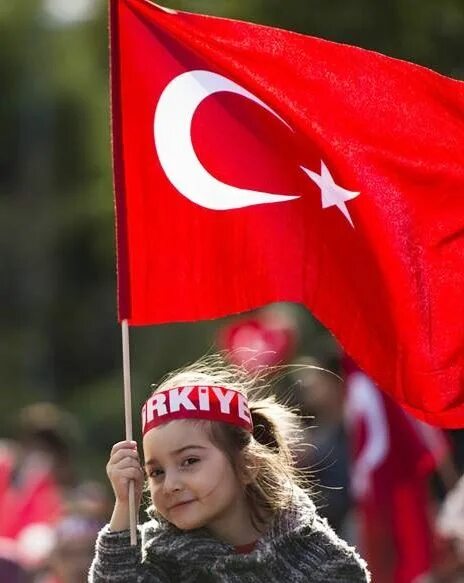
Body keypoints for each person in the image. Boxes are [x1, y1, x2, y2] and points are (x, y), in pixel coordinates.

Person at [89, 355, 370, 582]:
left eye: (189, 462)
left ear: (247, 465)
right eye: (157, 472)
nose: (171, 483)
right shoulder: (157, 558)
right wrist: (124, 505)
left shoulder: (318, 558)